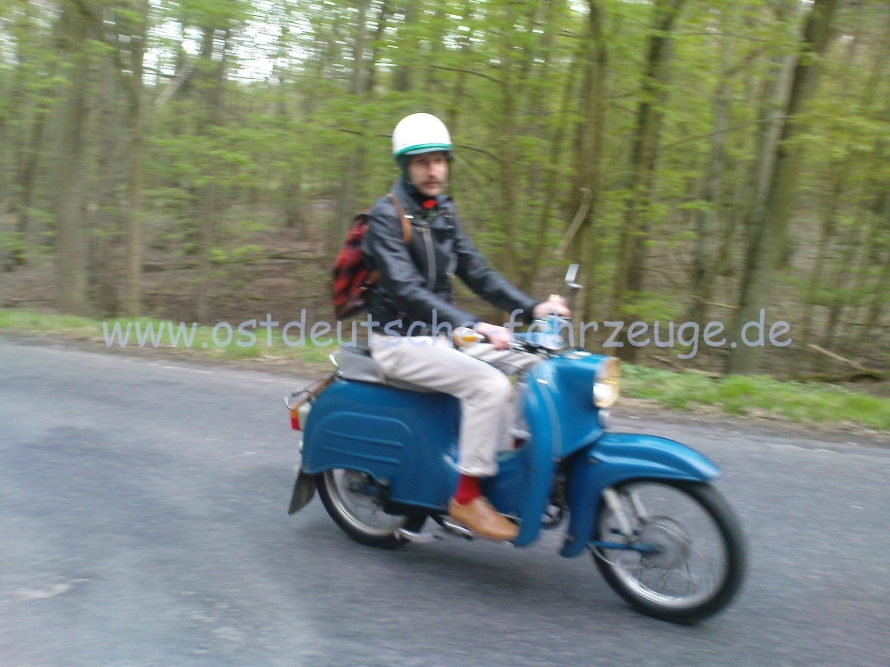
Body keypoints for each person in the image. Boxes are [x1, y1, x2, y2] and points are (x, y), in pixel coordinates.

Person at [362, 113, 569, 541]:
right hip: (399, 342)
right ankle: (467, 496)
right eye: (422, 162)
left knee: (540, 360)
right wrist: (474, 324)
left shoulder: (442, 213)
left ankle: (513, 460)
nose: (434, 169)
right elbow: (405, 289)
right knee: (489, 385)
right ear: (405, 166)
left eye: (440, 160)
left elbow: (478, 272)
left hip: (441, 333)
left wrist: (533, 308)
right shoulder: (386, 217)